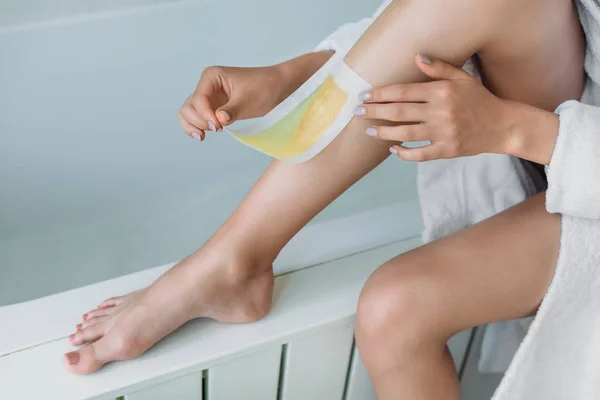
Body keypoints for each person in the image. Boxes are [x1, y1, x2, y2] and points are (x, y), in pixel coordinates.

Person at [64, 0, 589, 398]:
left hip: (565, 146)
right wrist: (291, 80)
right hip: (565, 123)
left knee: (394, 309)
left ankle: (232, 265)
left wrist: (515, 130)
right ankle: (234, 259)